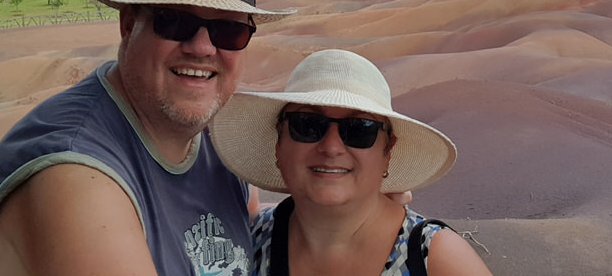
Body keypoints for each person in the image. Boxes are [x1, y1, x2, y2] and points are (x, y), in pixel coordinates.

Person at [0, 0, 296, 276]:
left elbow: (248, 221)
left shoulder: (215, 137)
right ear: (129, 24)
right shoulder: (75, 175)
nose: (201, 47)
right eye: (174, 21)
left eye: (228, 30)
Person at [210, 49, 493, 276]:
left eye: (360, 129)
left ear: (387, 150)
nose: (331, 147)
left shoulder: (435, 259)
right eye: (307, 124)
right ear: (279, 143)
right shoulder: (248, 242)